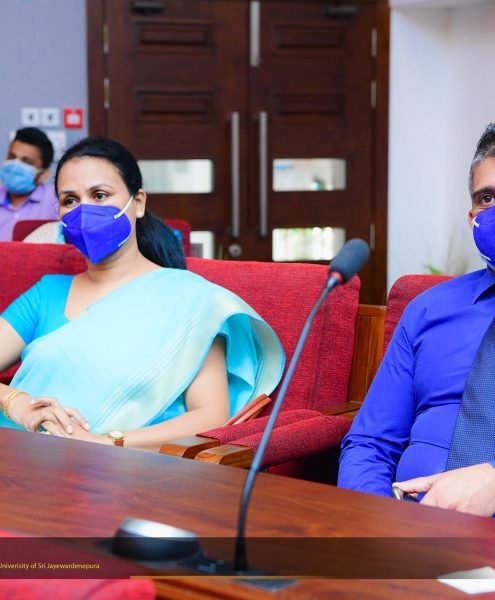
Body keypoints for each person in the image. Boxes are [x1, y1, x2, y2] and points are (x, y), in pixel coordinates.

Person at [0, 137, 285, 450]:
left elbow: (210, 416)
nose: (83, 211)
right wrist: (16, 402)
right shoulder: (47, 293)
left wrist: (104, 443)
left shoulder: (190, 300)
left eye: (99, 195)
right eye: (70, 200)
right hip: (18, 452)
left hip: (121, 467)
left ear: (138, 202)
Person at [338, 122, 495, 517]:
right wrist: (375, 525)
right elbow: (370, 444)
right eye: (487, 198)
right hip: (405, 530)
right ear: (472, 216)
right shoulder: (429, 309)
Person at [0, 127, 59, 240]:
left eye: (26, 162)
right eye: (12, 157)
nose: (15, 165)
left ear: (43, 174)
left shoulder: (56, 201)